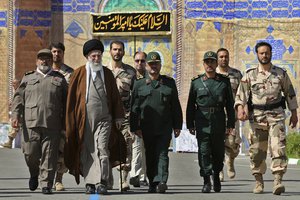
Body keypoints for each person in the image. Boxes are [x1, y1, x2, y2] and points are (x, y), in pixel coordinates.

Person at [235, 41, 298, 195]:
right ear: (257, 54)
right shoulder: (250, 75)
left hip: (276, 116)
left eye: (267, 52)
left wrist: (295, 114)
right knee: (257, 151)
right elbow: (240, 96)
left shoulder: (280, 73)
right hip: (257, 118)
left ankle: (278, 181)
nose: (265, 55)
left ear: (271, 54)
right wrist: (240, 109)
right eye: (262, 53)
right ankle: (258, 181)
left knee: (278, 148)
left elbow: (290, 94)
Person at [64, 39, 125, 195]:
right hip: (85, 120)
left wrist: (118, 117)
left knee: (102, 148)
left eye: (98, 56)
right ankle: (90, 182)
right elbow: (71, 100)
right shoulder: (78, 74)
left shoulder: (107, 73)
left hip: (105, 119)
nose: (96, 59)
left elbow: (115, 97)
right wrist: (71, 122)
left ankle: (102, 181)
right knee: (88, 150)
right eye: (93, 56)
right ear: (87, 57)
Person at [11, 49, 68, 194]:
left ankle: (46, 184)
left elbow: (67, 103)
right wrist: (15, 116)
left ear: (51, 61)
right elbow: (18, 98)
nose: (44, 61)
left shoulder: (59, 79)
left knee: (49, 155)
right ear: (37, 61)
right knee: (30, 154)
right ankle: (34, 174)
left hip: (52, 123)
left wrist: (67, 122)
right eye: (41, 59)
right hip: (31, 123)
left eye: (47, 59)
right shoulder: (28, 78)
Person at [130, 51, 183, 193]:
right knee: (150, 154)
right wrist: (134, 127)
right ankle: (152, 181)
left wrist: (177, 125)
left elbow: (175, 106)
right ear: (146, 66)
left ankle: (161, 181)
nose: (153, 66)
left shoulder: (169, 83)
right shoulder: (139, 84)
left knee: (162, 153)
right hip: (146, 127)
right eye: (151, 64)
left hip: (164, 126)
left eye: (156, 64)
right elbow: (134, 107)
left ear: (160, 65)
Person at [186, 51, 235, 193]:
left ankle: (217, 175)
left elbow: (229, 105)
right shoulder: (196, 83)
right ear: (203, 64)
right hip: (202, 122)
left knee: (218, 151)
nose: (209, 64)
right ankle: (206, 180)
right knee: (204, 151)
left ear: (216, 64)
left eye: (212, 62)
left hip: (218, 121)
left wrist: (230, 124)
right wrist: (190, 124)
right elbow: (190, 105)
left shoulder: (224, 82)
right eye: (207, 62)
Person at [107, 40, 136, 191]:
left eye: (120, 50)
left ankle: (124, 179)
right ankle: (108, 177)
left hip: (125, 116)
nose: (117, 52)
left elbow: (135, 96)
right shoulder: (103, 70)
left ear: (124, 52)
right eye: (115, 49)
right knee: (105, 146)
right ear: (110, 51)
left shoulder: (130, 72)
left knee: (127, 145)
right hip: (106, 116)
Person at [49, 42, 74, 191]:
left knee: (62, 149)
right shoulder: (45, 72)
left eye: (59, 52)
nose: (56, 54)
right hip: (47, 117)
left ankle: (58, 179)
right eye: (54, 51)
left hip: (64, 118)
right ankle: (45, 177)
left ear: (63, 54)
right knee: (46, 149)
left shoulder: (71, 73)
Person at [216, 48, 243, 181]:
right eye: (221, 57)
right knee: (218, 143)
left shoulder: (236, 74)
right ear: (217, 59)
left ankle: (230, 161)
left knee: (232, 143)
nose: (224, 59)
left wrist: (242, 109)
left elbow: (243, 93)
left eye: (226, 56)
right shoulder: (212, 74)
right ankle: (219, 169)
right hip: (217, 115)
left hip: (232, 115)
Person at [129, 51, 148, 187]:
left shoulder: (151, 78)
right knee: (136, 147)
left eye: (142, 61)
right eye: (137, 61)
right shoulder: (130, 78)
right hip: (132, 118)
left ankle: (143, 176)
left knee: (145, 149)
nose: (139, 63)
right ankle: (134, 175)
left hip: (148, 118)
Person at [2, 79, 21, 149]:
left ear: (19, 84)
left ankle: (10, 141)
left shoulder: (20, 91)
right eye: (12, 84)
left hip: (19, 114)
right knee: (14, 126)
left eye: (14, 83)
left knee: (14, 126)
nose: (13, 85)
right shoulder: (17, 91)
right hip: (16, 113)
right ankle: (10, 141)